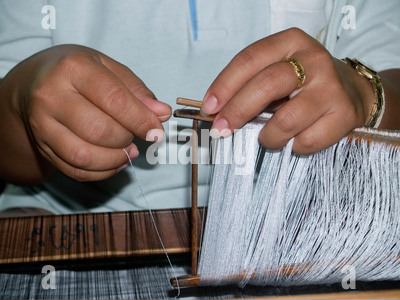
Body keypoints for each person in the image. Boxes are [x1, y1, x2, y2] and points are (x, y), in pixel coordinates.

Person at [0, 0, 399, 215]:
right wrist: (22, 100)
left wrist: (367, 95)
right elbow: (8, 158)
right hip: (65, 222)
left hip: (301, 221)